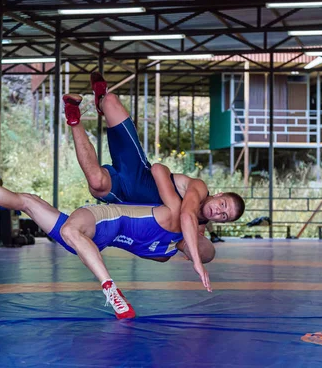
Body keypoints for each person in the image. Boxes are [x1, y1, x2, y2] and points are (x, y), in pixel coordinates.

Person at [0, 134, 216, 319]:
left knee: (44, 214)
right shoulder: (166, 243)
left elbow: (159, 171)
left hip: (93, 239)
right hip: (98, 222)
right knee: (37, 209)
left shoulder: (168, 241)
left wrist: (191, 212)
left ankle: (110, 289)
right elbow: (165, 184)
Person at [63, 72, 244, 288]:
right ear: (219, 194)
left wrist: (189, 249)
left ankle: (74, 118)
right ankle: (100, 100)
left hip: (124, 196)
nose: (218, 212)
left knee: (96, 181)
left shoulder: (195, 231)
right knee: (111, 101)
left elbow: (161, 252)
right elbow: (161, 175)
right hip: (137, 171)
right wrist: (197, 262)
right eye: (222, 205)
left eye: (224, 216)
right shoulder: (198, 189)